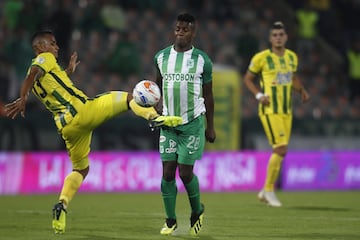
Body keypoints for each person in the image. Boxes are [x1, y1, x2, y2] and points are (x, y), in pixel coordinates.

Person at [4, 30, 182, 234]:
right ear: (40, 47)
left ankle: (62, 203)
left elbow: (45, 80)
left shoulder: (47, 71)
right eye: (52, 43)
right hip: (82, 111)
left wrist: (67, 72)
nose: (57, 47)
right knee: (129, 98)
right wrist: (23, 97)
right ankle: (155, 117)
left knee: (81, 169)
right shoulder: (43, 58)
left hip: (67, 128)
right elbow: (33, 73)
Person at [153, 13, 216, 236]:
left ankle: (197, 210)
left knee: (185, 173)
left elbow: (208, 96)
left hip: (192, 123)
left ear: (193, 32)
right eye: (178, 28)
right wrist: (156, 108)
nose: (180, 32)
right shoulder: (161, 57)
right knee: (168, 172)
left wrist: (210, 126)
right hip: (168, 124)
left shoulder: (202, 60)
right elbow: (157, 87)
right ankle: (170, 220)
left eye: (185, 29)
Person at [243, 21, 310, 207]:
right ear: (270, 38)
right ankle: (269, 190)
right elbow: (247, 79)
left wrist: (301, 90)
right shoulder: (261, 58)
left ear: (286, 37)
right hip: (270, 109)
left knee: (281, 152)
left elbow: (292, 77)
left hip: (286, 110)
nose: (278, 37)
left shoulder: (292, 57)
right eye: (275, 35)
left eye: (281, 34)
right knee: (281, 149)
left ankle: (266, 191)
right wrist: (258, 95)